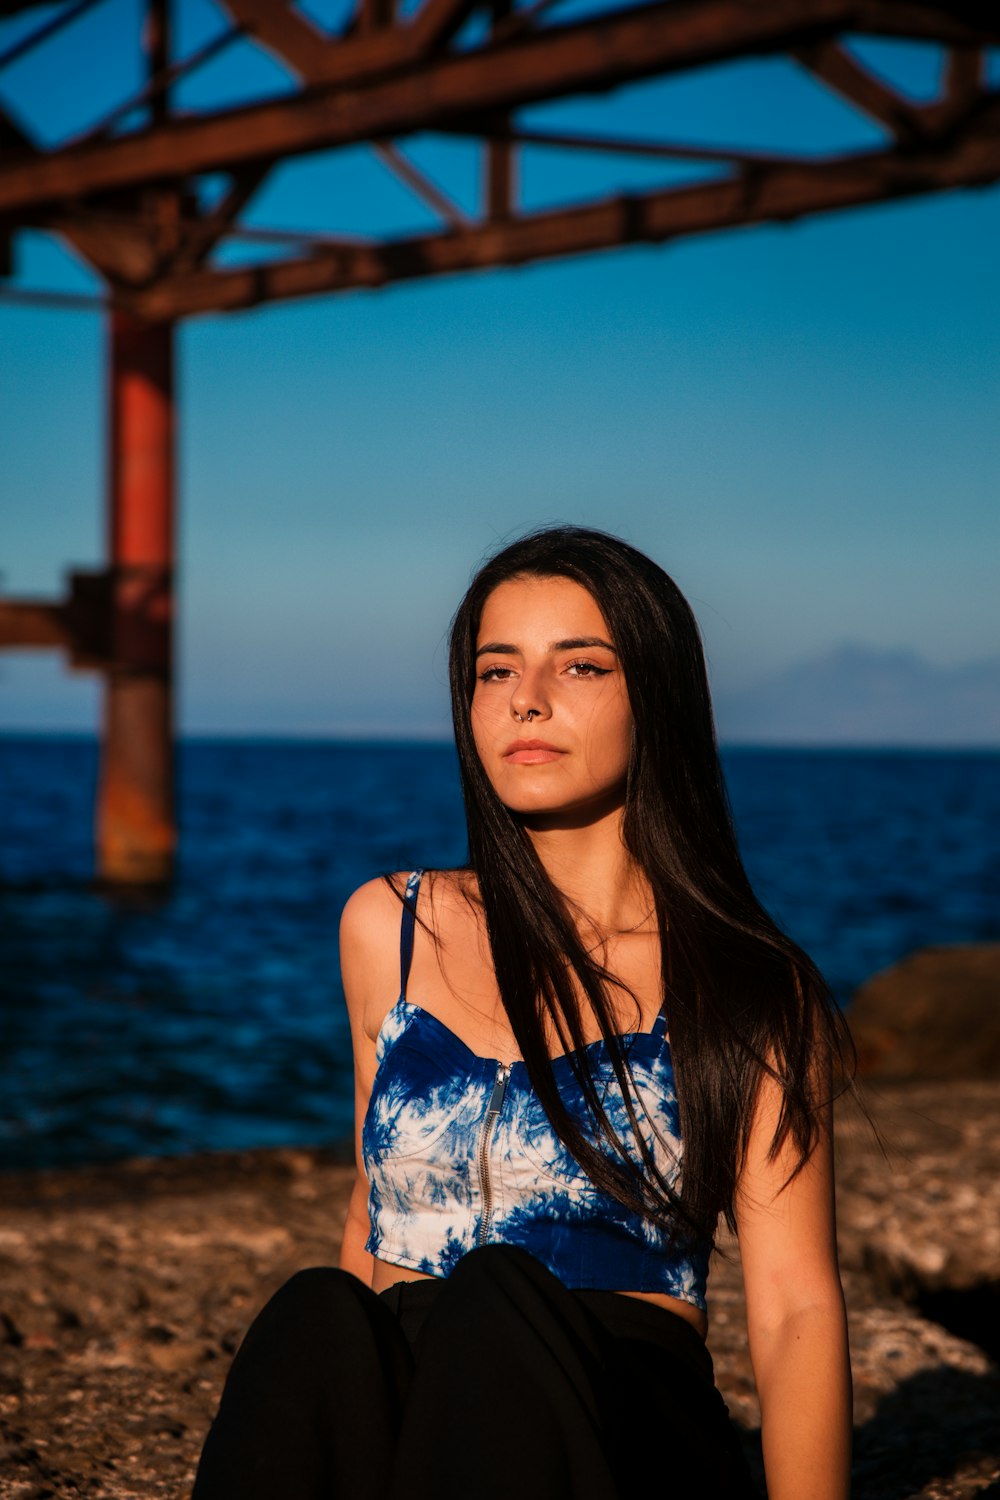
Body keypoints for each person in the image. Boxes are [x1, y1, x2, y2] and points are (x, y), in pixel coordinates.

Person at [192, 525, 854, 1500]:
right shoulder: (392, 925)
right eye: (495, 671)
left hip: (620, 1407)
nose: (525, 700)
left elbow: (796, 1309)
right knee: (318, 1315)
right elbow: (371, 1216)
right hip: (431, 1399)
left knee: (494, 1298)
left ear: (657, 697)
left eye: (580, 666)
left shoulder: (747, 986)